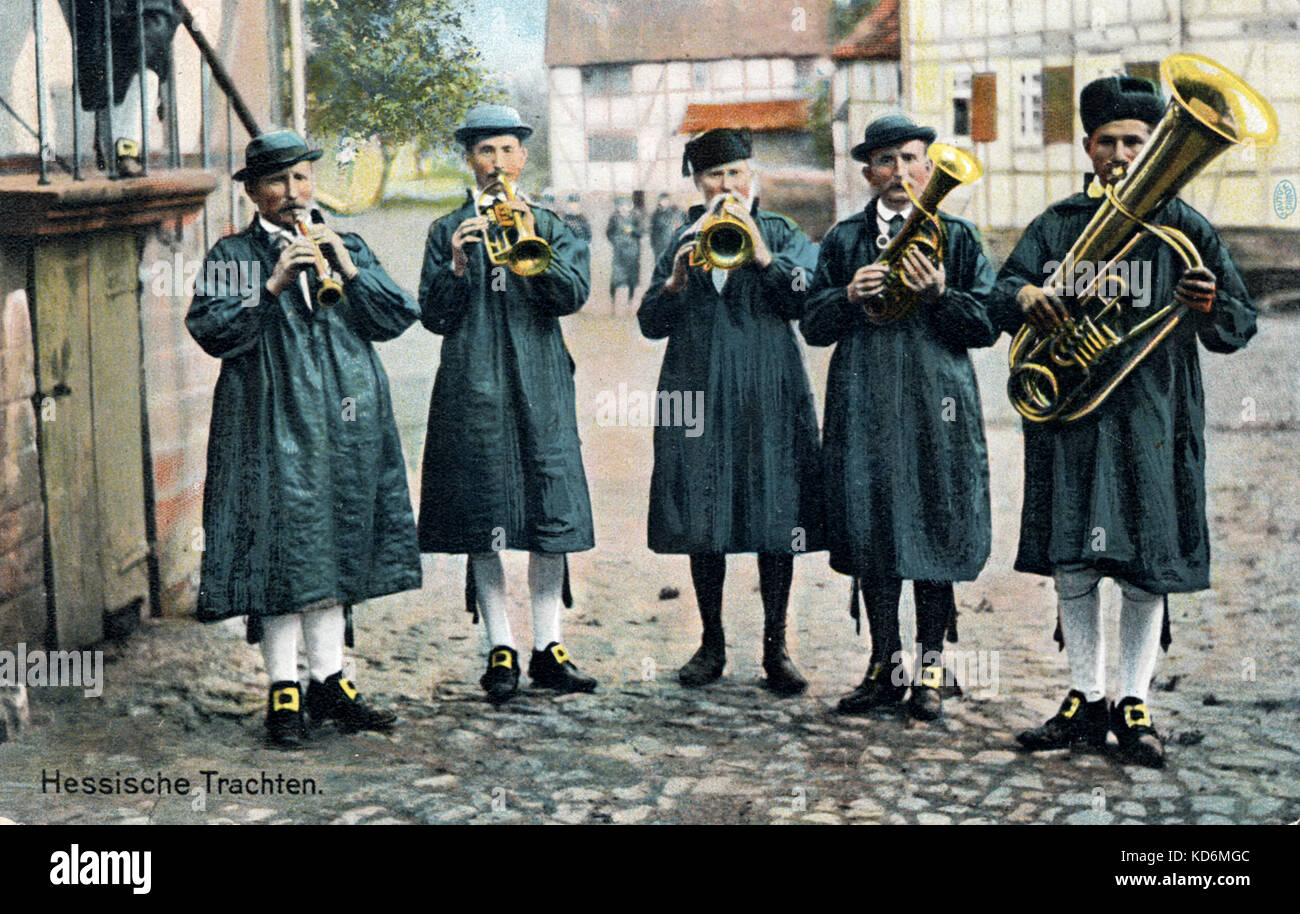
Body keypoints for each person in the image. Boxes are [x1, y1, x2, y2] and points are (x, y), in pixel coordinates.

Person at [990, 76, 1256, 767]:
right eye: (1106, 141)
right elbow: (997, 297)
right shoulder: (1057, 224)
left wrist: (1208, 299)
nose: (1119, 154)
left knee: (1146, 560)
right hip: (1074, 420)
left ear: (1155, 146)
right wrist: (1024, 292)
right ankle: (1085, 695)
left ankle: (1133, 699)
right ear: (1087, 146)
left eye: (1134, 142)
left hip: (1153, 419)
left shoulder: (1187, 228)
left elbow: (1239, 323)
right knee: (1073, 556)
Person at [186, 129, 422, 748]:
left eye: (300, 179)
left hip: (347, 422)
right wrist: (271, 288)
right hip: (269, 419)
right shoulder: (233, 255)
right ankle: (283, 689)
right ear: (254, 193)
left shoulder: (347, 243)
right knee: (283, 549)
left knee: (336, 542)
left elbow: (396, 317)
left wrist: (344, 263)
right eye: (276, 182)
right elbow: (211, 330)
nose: (292, 193)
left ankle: (330, 681)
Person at [802, 115, 996, 721]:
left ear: (929, 168)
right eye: (885, 162)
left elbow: (988, 326)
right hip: (865, 404)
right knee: (873, 528)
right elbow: (813, 327)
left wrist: (941, 293)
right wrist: (846, 296)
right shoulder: (841, 241)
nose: (900, 173)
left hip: (938, 406)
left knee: (934, 525)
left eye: (912, 160)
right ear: (867, 173)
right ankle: (885, 667)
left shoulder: (958, 238)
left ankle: (931, 668)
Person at [417, 104, 597, 705]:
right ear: (469, 159)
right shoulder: (446, 230)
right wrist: (458, 266)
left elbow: (571, 296)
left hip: (541, 381)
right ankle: (500, 644)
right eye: (484, 152)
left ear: (522, 158)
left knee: (551, 510)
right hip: (473, 382)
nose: (497, 164)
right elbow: (435, 315)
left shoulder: (550, 222)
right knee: (481, 511)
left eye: (506, 151)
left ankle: (548, 645)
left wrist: (535, 242)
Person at [638, 128, 822, 695]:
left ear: (754, 176)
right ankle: (711, 641)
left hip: (769, 385)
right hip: (695, 385)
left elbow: (808, 297)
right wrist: (672, 283)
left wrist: (763, 255)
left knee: (777, 508)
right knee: (702, 507)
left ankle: (776, 646)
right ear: (698, 182)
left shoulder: (782, 231)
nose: (728, 185)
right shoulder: (682, 236)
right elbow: (649, 324)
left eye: (737, 173)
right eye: (715, 176)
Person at [59, 0, 179, 176]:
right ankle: (116, 152)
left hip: (134, 26)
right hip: (107, 22)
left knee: (142, 74)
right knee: (114, 75)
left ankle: (123, 153)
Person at [606, 196, 644, 314]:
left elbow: (641, 232)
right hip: (619, 253)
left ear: (630, 207)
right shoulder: (614, 218)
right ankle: (612, 304)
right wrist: (615, 241)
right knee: (615, 279)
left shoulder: (635, 217)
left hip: (632, 253)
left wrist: (632, 230)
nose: (624, 208)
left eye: (626, 206)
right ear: (618, 208)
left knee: (631, 279)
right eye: (621, 206)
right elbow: (609, 233)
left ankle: (629, 304)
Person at [649, 192, 687, 262]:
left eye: (666, 200)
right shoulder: (655, 214)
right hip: (659, 246)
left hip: (671, 245)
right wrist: (654, 246)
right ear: (659, 201)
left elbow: (678, 227)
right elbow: (652, 232)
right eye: (663, 200)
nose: (665, 202)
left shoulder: (673, 212)